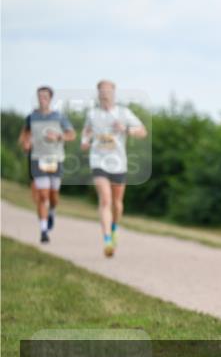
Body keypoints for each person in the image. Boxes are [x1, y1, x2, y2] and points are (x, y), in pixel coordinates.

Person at [80, 80, 147, 257]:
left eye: (108, 91)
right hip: (98, 161)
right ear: (98, 94)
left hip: (118, 163)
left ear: (114, 93)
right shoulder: (92, 114)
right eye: (101, 91)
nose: (105, 94)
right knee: (105, 200)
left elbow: (142, 131)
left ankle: (115, 227)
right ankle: (107, 239)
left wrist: (125, 129)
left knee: (117, 204)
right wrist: (84, 141)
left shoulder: (123, 113)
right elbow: (86, 131)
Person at [18, 86, 76, 243]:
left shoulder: (59, 117)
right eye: (40, 96)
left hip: (56, 159)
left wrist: (58, 136)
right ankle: (43, 231)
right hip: (38, 159)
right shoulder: (32, 117)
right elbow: (24, 135)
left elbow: (71, 135)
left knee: (53, 196)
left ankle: (52, 211)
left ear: (50, 99)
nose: (42, 99)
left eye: (45, 96)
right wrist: (26, 144)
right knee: (42, 195)